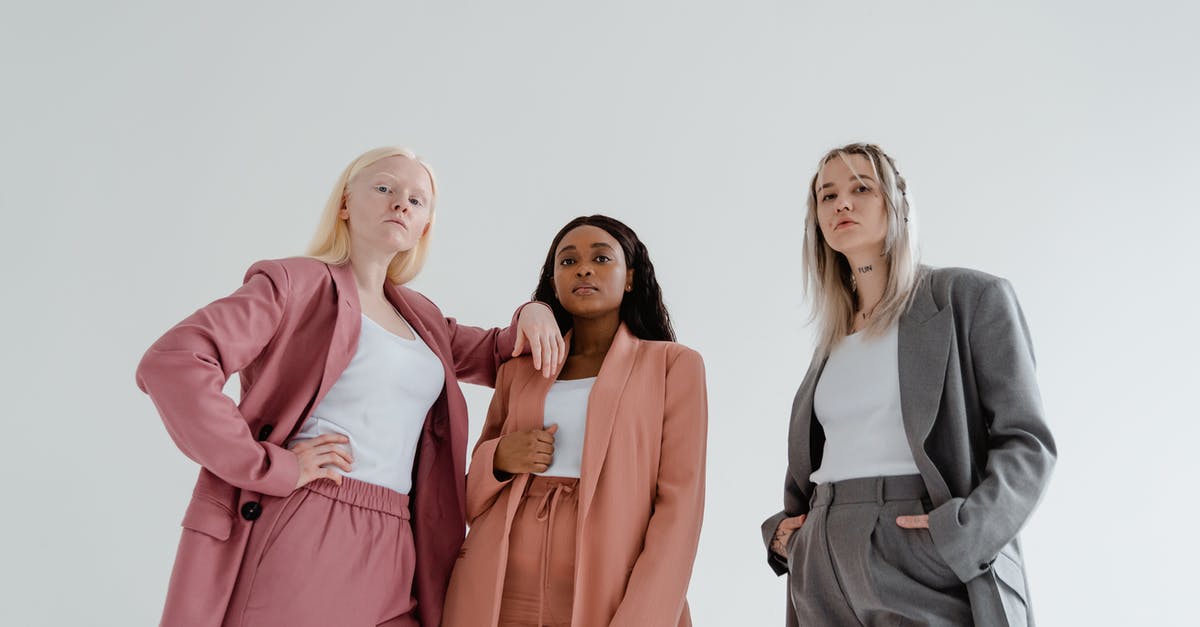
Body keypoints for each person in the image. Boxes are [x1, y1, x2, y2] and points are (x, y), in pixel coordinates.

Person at [135, 146, 565, 627]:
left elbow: (499, 351)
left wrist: (536, 308)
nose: (401, 203)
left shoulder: (420, 317)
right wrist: (268, 466)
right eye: (384, 187)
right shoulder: (294, 284)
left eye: (417, 200)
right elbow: (175, 362)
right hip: (309, 517)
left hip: (398, 534)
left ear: (424, 227)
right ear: (345, 204)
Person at [761, 143, 1056, 626]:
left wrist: (963, 535)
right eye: (827, 195)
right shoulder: (834, 339)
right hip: (822, 560)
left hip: (918, 543)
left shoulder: (969, 298)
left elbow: (1028, 442)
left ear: (897, 202)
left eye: (861, 188)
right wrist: (786, 538)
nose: (842, 204)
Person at [442, 215, 708, 627]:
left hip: (608, 582)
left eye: (602, 258)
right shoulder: (520, 370)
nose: (583, 268)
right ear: (553, 281)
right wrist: (499, 458)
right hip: (502, 579)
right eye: (568, 262)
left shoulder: (674, 366)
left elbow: (681, 506)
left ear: (631, 277)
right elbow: (470, 500)